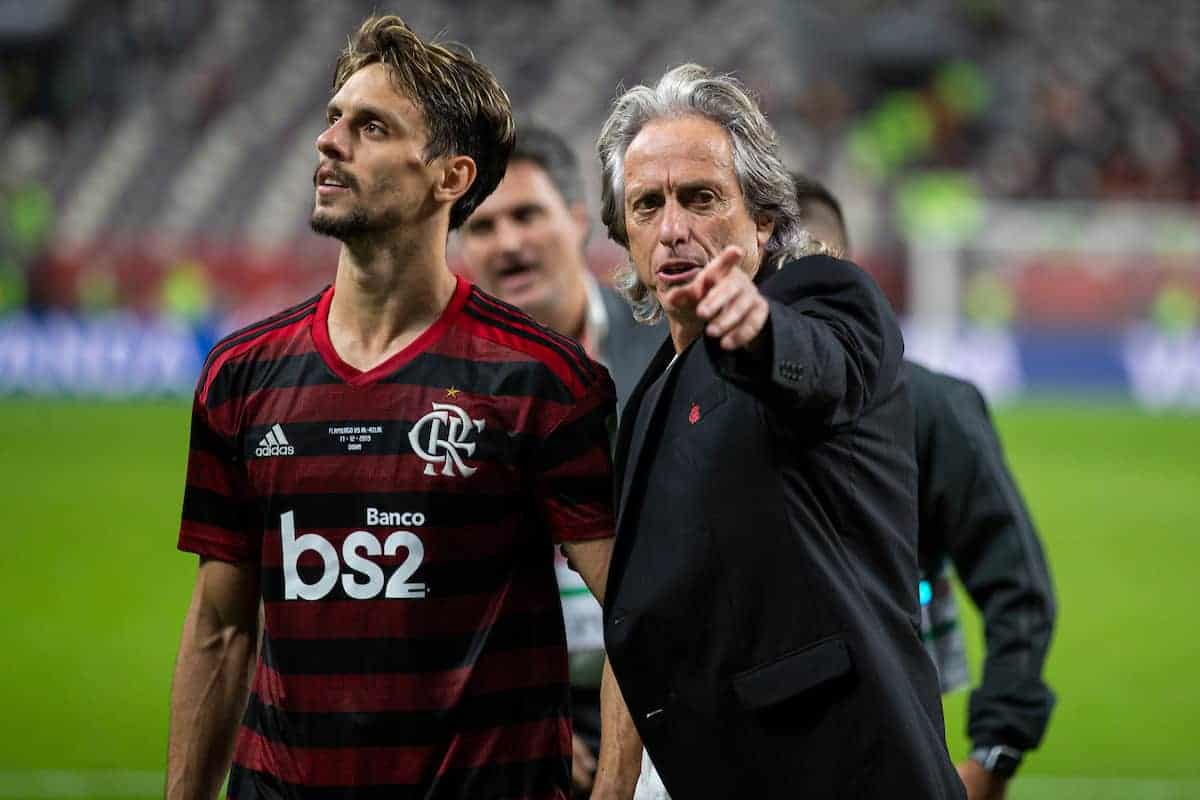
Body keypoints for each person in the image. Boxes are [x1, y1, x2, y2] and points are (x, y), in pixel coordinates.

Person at [166, 16, 621, 800]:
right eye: (333, 118)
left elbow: (636, 618)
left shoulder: (544, 381)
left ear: (449, 178)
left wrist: (612, 791)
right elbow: (222, 628)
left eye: (369, 126)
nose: (329, 142)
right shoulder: (241, 376)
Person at [592, 63, 964, 799]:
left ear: (760, 217)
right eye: (646, 206)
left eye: (701, 198)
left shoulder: (823, 298)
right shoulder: (649, 398)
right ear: (624, 234)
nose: (673, 229)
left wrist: (755, 330)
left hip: (842, 770)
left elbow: (817, 367)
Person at [793, 174, 1057, 800]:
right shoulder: (707, 411)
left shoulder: (934, 409)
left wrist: (995, 751)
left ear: (841, 271)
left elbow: (1017, 587)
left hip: (903, 748)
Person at [460, 124, 663, 797]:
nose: (510, 242)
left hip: (665, 698)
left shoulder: (670, 354)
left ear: (577, 221)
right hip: (510, 719)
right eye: (483, 226)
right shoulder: (439, 391)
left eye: (527, 214)